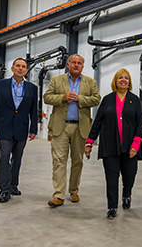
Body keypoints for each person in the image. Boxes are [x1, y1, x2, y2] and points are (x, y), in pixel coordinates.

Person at [85, 68, 142, 219]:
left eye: (126, 78)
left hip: (131, 146)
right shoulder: (107, 99)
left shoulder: (135, 99)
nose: (123, 80)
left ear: (129, 81)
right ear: (115, 81)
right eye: (120, 78)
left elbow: (139, 124)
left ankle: (127, 194)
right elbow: (97, 122)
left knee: (129, 175)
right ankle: (112, 207)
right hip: (110, 145)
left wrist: (136, 144)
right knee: (111, 178)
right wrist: (89, 142)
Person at [44, 54, 100, 207]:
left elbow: (96, 99)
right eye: (73, 62)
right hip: (60, 127)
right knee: (59, 160)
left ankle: (74, 190)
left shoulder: (90, 82)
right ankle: (59, 195)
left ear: (83, 66)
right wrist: (63, 97)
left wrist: (79, 99)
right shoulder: (57, 80)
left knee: (78, 161)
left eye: (79, 63)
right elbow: (47, 97)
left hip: (80, 127)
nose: (76, 65)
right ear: (68, 65)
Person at [0, 58, 38, 203]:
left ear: (26, 70)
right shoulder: (0, 85)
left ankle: (13, 185)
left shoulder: (32, 88)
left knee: (17, 158)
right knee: (5, 157)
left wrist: (33, 128)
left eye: (23, 66)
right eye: (18, 66)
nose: (21, 68)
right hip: (4, 127)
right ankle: (4, 190)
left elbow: (34, 110)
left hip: (21, 128)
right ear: (12, 68)